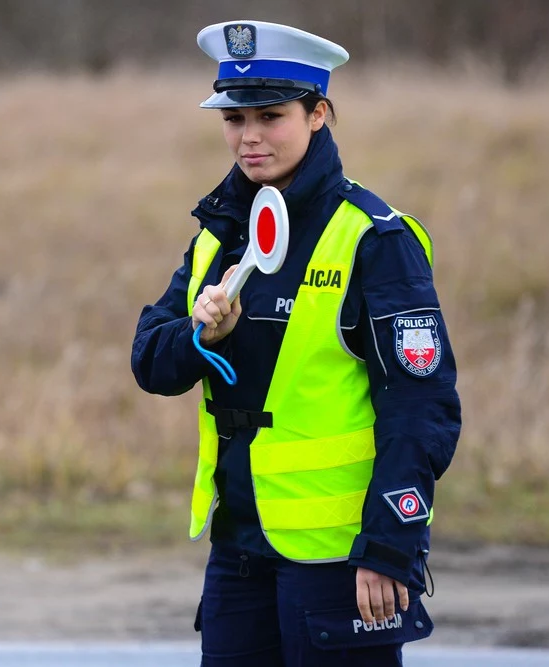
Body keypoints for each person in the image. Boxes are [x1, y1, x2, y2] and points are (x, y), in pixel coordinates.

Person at [131, 20, 462, 667]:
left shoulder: (374, 237)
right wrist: (202, 337)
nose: (248, 138)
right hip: (237, 550)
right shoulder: (219, 234)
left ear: (318, 114)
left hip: (341, 559)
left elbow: (421, 409)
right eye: (235, 118)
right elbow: (150, 360)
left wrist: (390, 548)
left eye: (270, 116)